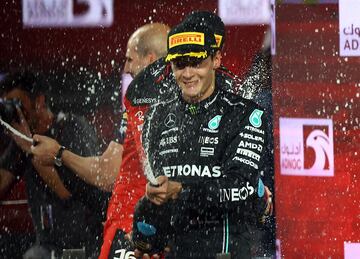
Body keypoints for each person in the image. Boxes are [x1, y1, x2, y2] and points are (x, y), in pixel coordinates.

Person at [29, 23, 170, 259]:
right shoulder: (179, 103)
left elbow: (107, 174)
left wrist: (58, 153)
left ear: (150, 59)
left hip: (132, 229)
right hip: (148, 228)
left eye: (129, 59)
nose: (126, 69)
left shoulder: (141, 106)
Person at [140, 22, 269, 258]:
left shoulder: (245, 114)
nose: (188, 74)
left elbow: (240, 188)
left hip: (227, 253)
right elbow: (160, 198)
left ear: (216, 60)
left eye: (197, 62)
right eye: (180, 65)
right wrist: (148, 239)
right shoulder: (156, 118)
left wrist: (181, 190)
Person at [0, 71, 109, 258]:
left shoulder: (73, 127)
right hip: (46, 245)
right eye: (9, 105)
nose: (15, 111)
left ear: (39, 101)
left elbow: (65, 191)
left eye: (17, 104)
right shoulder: (22, 140)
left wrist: (27, 145)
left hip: (84, 245)